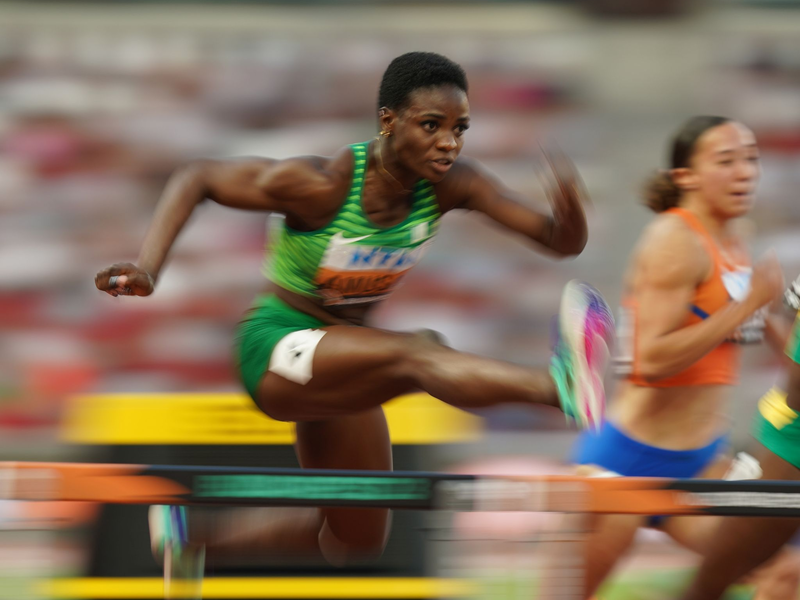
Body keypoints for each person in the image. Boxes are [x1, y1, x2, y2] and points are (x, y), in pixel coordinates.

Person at [94, 52, 614, 569]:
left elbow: (557, 241)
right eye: (431, 125)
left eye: (461, 128)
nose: (449, 143)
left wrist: (571, 215)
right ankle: (559, 386)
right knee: (420, 351)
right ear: (388, 121)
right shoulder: (323, 186)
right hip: (275, 347)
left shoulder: (454, 184)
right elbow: (197, 177)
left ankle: (192, 536)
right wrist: (150, 268)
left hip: (346, 360)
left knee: (354, 536)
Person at [539, 115, 785, 599]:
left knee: (784, 573)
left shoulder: (737, 235)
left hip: (699, 462)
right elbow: (651, 361)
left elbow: (736, 320)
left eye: (751, 159)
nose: (745, 172)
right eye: (727, 161)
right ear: (685, 177)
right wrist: (749, 304)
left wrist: (777, 330)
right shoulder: (674, 240)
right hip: (625, 464)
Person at [680, 276, 800, 600]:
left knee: (714, 585)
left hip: (783, 450)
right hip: (784, 450)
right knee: (727, 581)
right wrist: (763, 313)